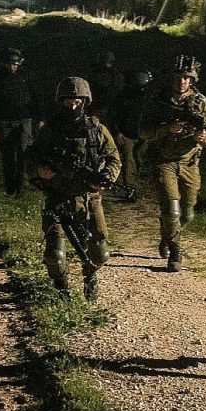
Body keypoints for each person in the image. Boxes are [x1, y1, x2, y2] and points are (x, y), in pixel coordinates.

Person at [31, 77, 121, 300]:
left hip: (89, 198)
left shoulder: (96, 130)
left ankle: (90, 275)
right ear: (60, 102)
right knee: (55, 255)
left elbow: (113, 158)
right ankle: (62, 288)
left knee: (99, 253)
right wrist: (40, 171)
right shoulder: (50, 130)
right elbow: (31, 158)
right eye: (68, 101)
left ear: (85, 101)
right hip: (58, 198)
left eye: (77, 102)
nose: (72, 106)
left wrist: (106, 176)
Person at [140, 56, 206, 271]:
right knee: (171, 209)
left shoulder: (201, 103)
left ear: (191, 80)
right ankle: (175, 251)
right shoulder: (158, 101)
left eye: (186, 78)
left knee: (187, 214)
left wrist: (204, 138)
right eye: (178, 77)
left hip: (189, 163)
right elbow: (143, 131)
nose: (182, 82)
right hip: (163, 161)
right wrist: (167, 129)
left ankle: (167, 235)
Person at [0, 48, 42, 196]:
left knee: (23, 153)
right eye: (9, 64)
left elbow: (37, 98)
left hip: (24, 120)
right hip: (4, 122)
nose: (12, 67)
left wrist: (41, 119)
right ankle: (10, 186)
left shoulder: (27, 77)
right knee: (8, 155)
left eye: (15, 64)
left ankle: (20, 186)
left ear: (19, 63)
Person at [110, 69, 153, 198]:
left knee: (139, 159)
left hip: (143, 134)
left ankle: (136, 184)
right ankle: (130, 189)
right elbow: (114, 115)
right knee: (129, 162)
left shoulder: (149, 97)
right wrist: (117, 132)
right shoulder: (124, 96)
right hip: (127, 134)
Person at [87, 50, 125, 126]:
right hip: (96, 105)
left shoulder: (116, 75)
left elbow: (117, 90)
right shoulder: (94, 73)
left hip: (110, 107)